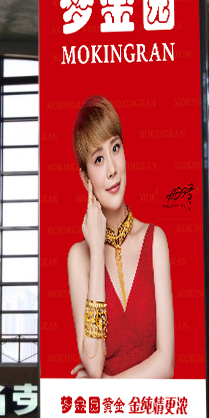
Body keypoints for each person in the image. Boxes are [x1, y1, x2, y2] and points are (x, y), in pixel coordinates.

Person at [66, 95, 175, 379]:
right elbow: (93, 364)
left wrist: (105, 387)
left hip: (151, 407)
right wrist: (96, 250)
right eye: (99, 159)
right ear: (85, 178)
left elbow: (166, 364)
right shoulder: (78, 257)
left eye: (116, 148)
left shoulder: (155, 241)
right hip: (104, 413)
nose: (112, 168)